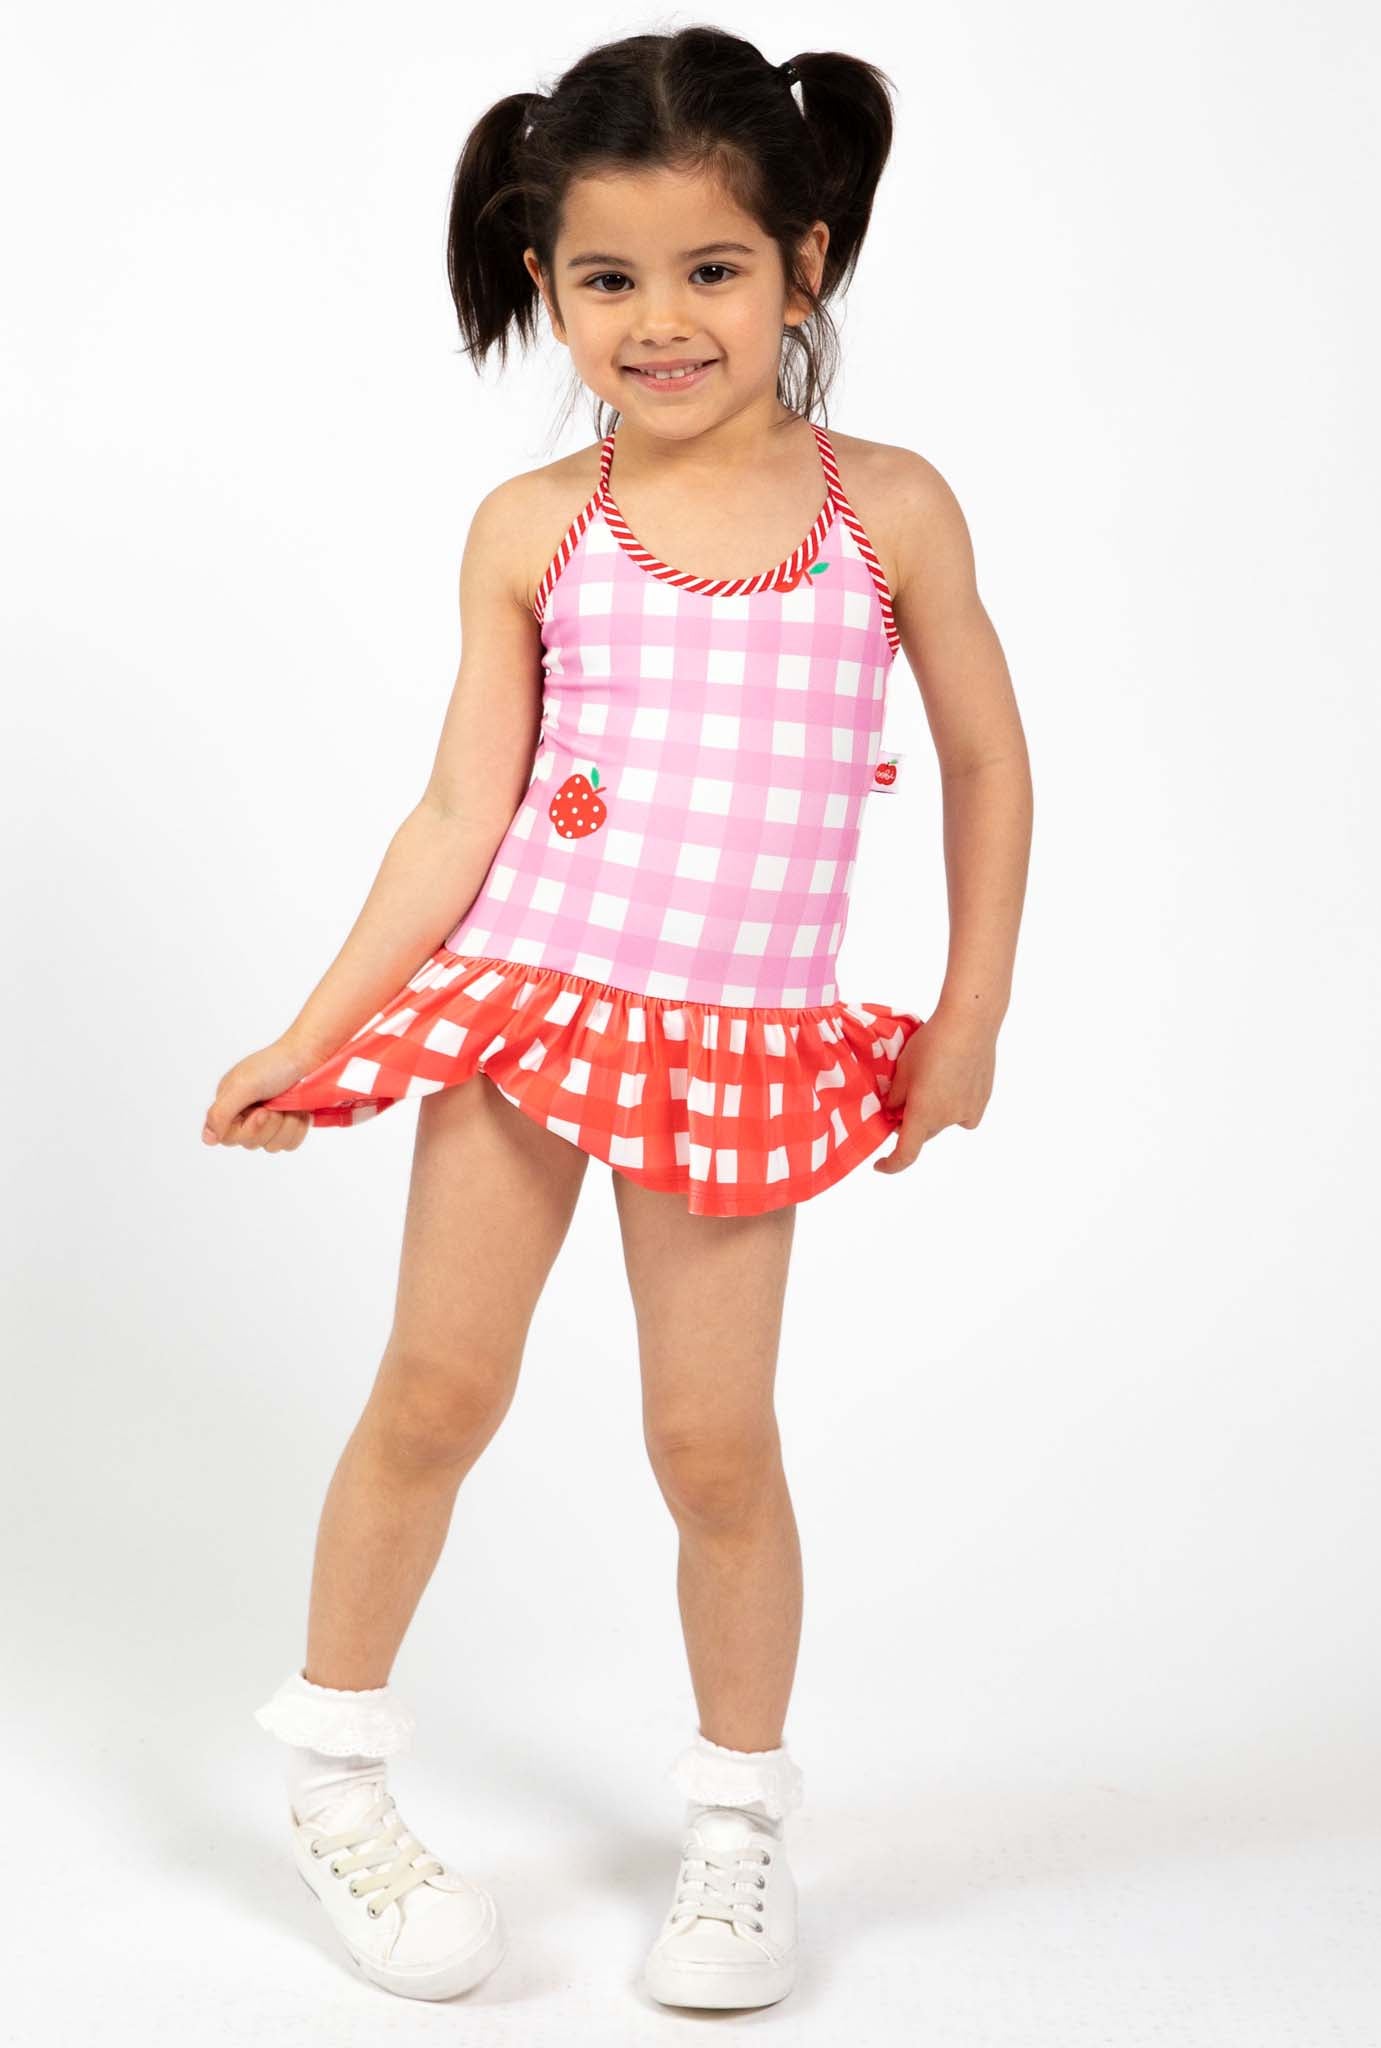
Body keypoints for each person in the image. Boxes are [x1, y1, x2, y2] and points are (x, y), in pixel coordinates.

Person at [203, 25, 1031, 2014]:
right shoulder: (530, 525)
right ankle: (332, 1769)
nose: (661, 321)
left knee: (713, 1443)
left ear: (803, 263)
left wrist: (968, 1016)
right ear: (549, 282)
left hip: (738, 1041)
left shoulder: (889, 511)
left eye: (711, 271)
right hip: (523, 1011)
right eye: (608, 280)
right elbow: (460, 813)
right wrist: (315, 1028)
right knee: (437, 1392)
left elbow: (991, 764)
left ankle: (739, 1834)